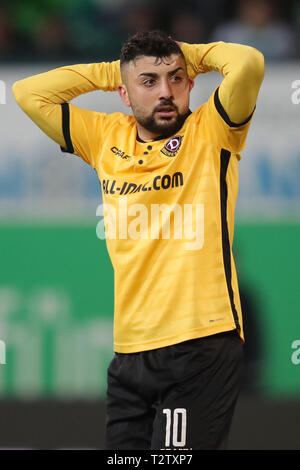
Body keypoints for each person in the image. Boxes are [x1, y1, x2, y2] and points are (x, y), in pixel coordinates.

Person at [12, 30, 265, 450]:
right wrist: (116, 69)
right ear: (125, 94)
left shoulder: (213, 130)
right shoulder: (105, 137)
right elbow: (28, 93)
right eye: (148, 82)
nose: (165, 92)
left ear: (190, 83)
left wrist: (187, 55)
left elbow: (250, 63)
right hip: (130, 352)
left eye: (176, 79)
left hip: (200, 343)